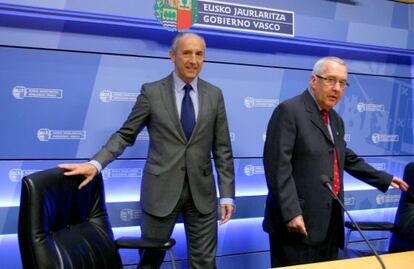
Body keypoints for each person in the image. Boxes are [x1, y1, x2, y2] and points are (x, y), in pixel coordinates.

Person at [59, 32, 235, 269]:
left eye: (199, 54)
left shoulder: (214, 95)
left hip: (202, 195)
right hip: (160, 193)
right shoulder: (152, 93)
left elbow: (222, 148)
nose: (193, 60)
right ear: (172, 56)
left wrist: (226, 194)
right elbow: (125, 134)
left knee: (204, 263)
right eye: (187, 53)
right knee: (150, 262)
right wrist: (95, 164)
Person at [262, 56, 409, 267]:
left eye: (342, 83)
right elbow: (277, 166)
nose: (337, 88)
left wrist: (384, 178)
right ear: (314, 80)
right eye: (331, 80)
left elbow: (343, 155)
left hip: (329, 223)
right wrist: (291, 213)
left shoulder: (335, 119)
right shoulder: (289, 111)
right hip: (297, 224)